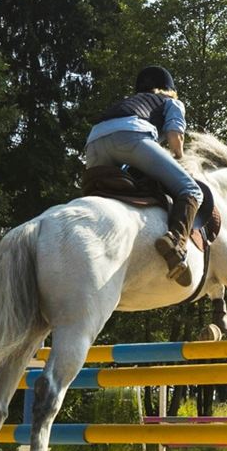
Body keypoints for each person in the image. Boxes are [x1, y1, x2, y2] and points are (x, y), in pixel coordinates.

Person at [84, 66, 203, 286]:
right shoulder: (171, 102)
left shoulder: (127, 101)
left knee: (104, 194)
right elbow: (175, 135)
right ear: (169, 90)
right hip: (130, 136)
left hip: (93, 143)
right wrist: (179, 157)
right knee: (191, 189)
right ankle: (176, 242)